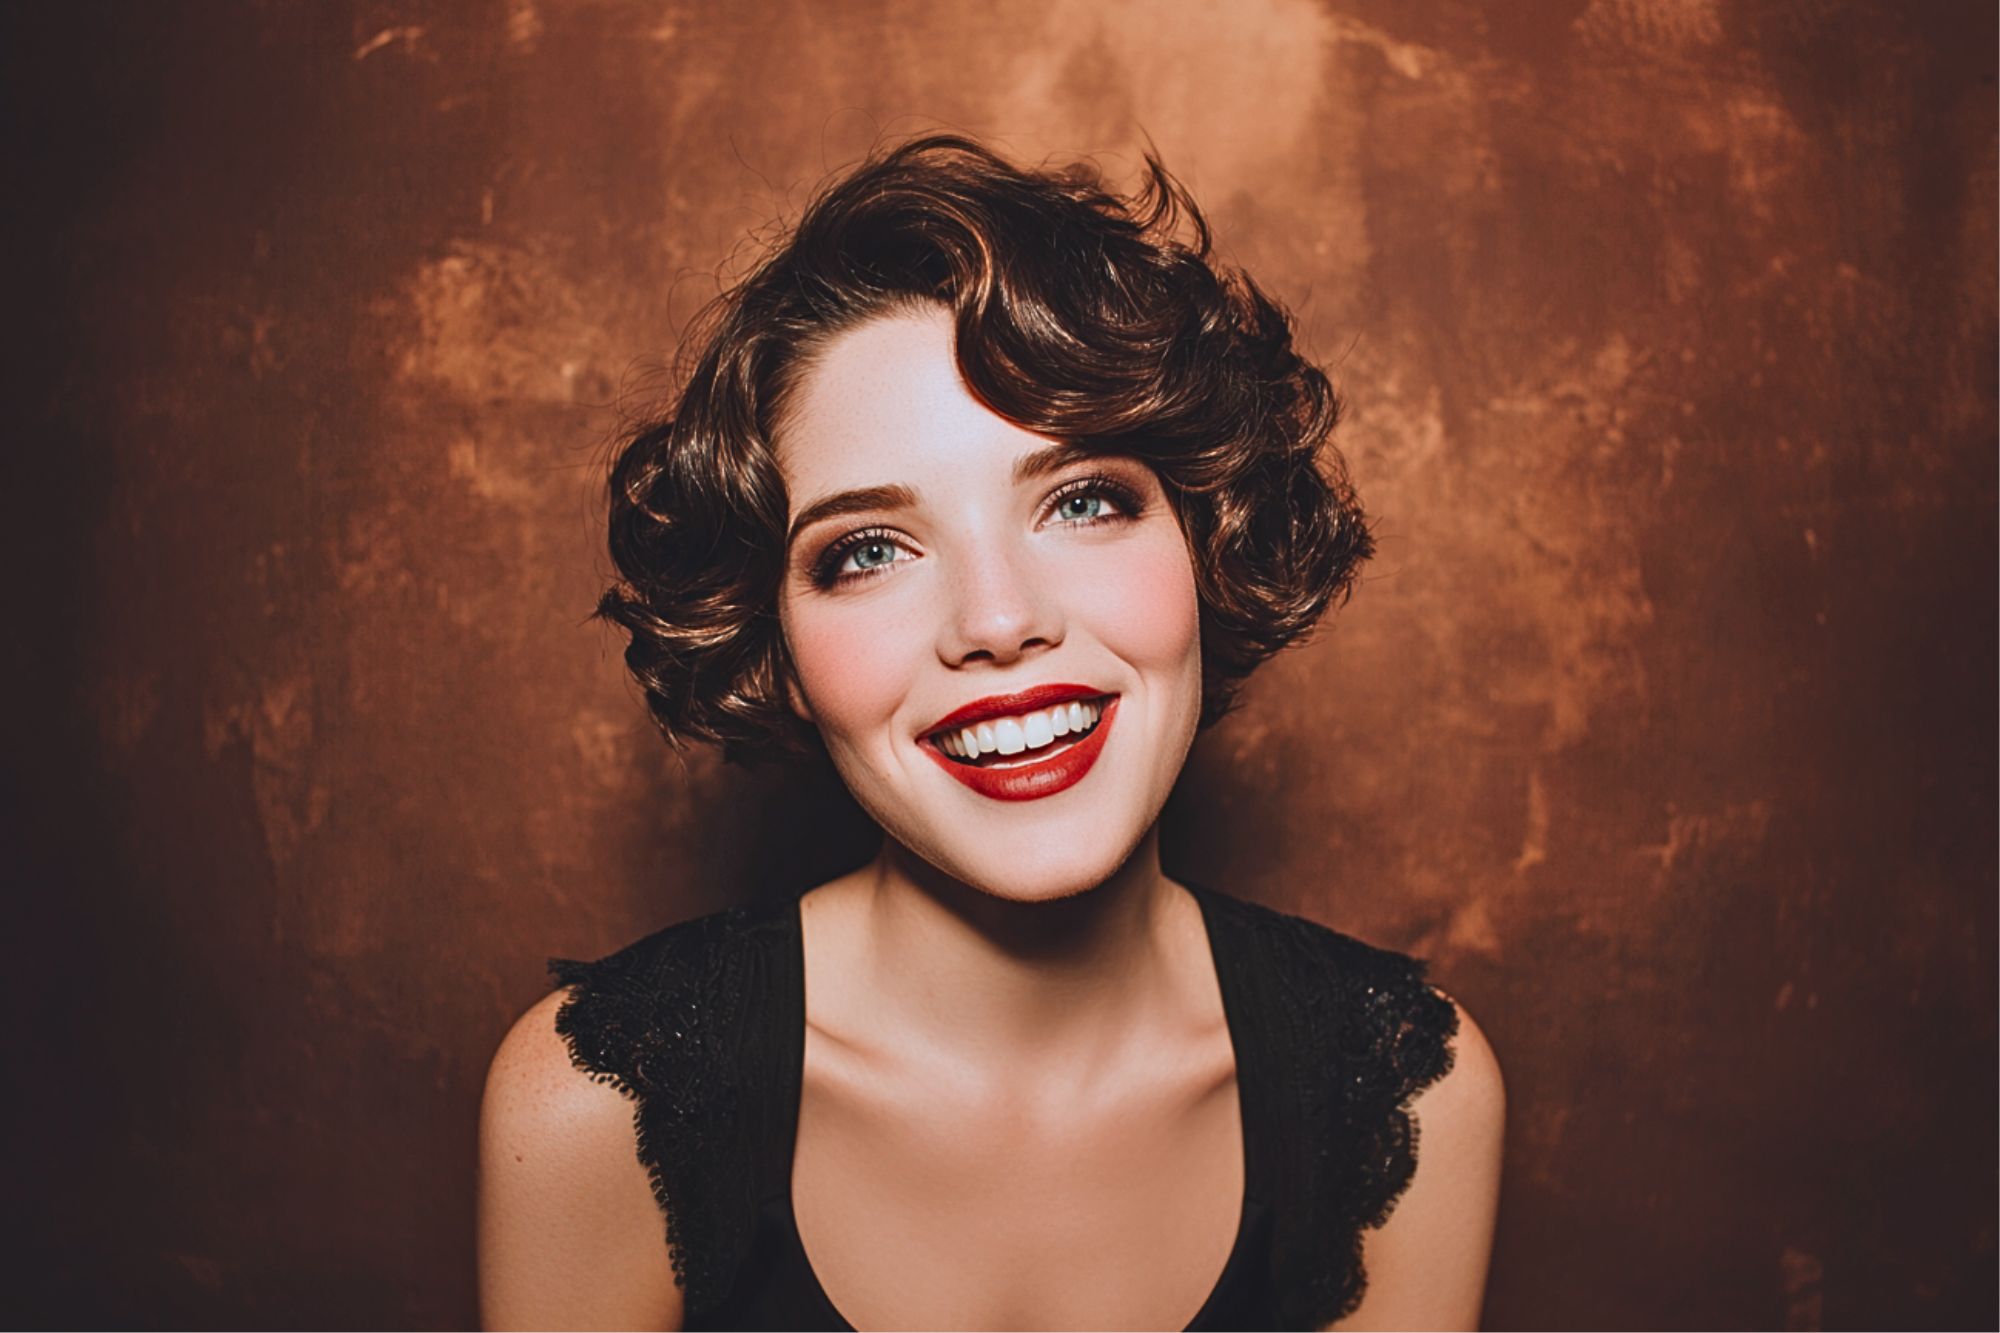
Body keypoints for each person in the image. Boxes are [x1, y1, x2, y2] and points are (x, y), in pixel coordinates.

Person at [477, 135, 1504, 1331]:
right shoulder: (596, 1108)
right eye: (867, 550)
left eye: (1082, 500)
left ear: (1203, 545)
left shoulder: (1410, 1097)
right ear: (780, 654)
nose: (999, 621)